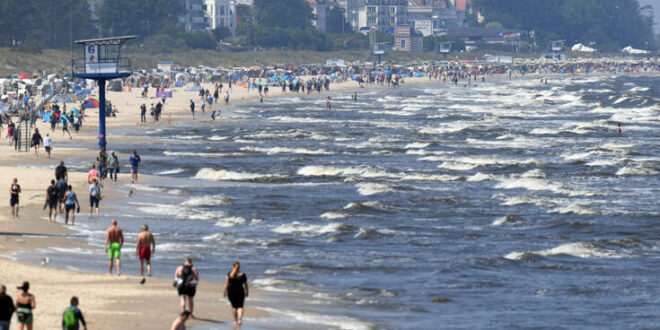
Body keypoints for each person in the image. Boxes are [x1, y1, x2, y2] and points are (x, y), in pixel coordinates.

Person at [223, 261, 248, 327]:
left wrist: (224, 292)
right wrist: (247, 291)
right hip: (240, 291)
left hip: (231, 291)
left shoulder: (229, 274)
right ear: (239, 267)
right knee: (240, 306)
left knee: (234, 307)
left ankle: (235, 321)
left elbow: (226, 284)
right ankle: (239, 319)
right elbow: (245, 284)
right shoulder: (243, 274)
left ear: (232, 266)